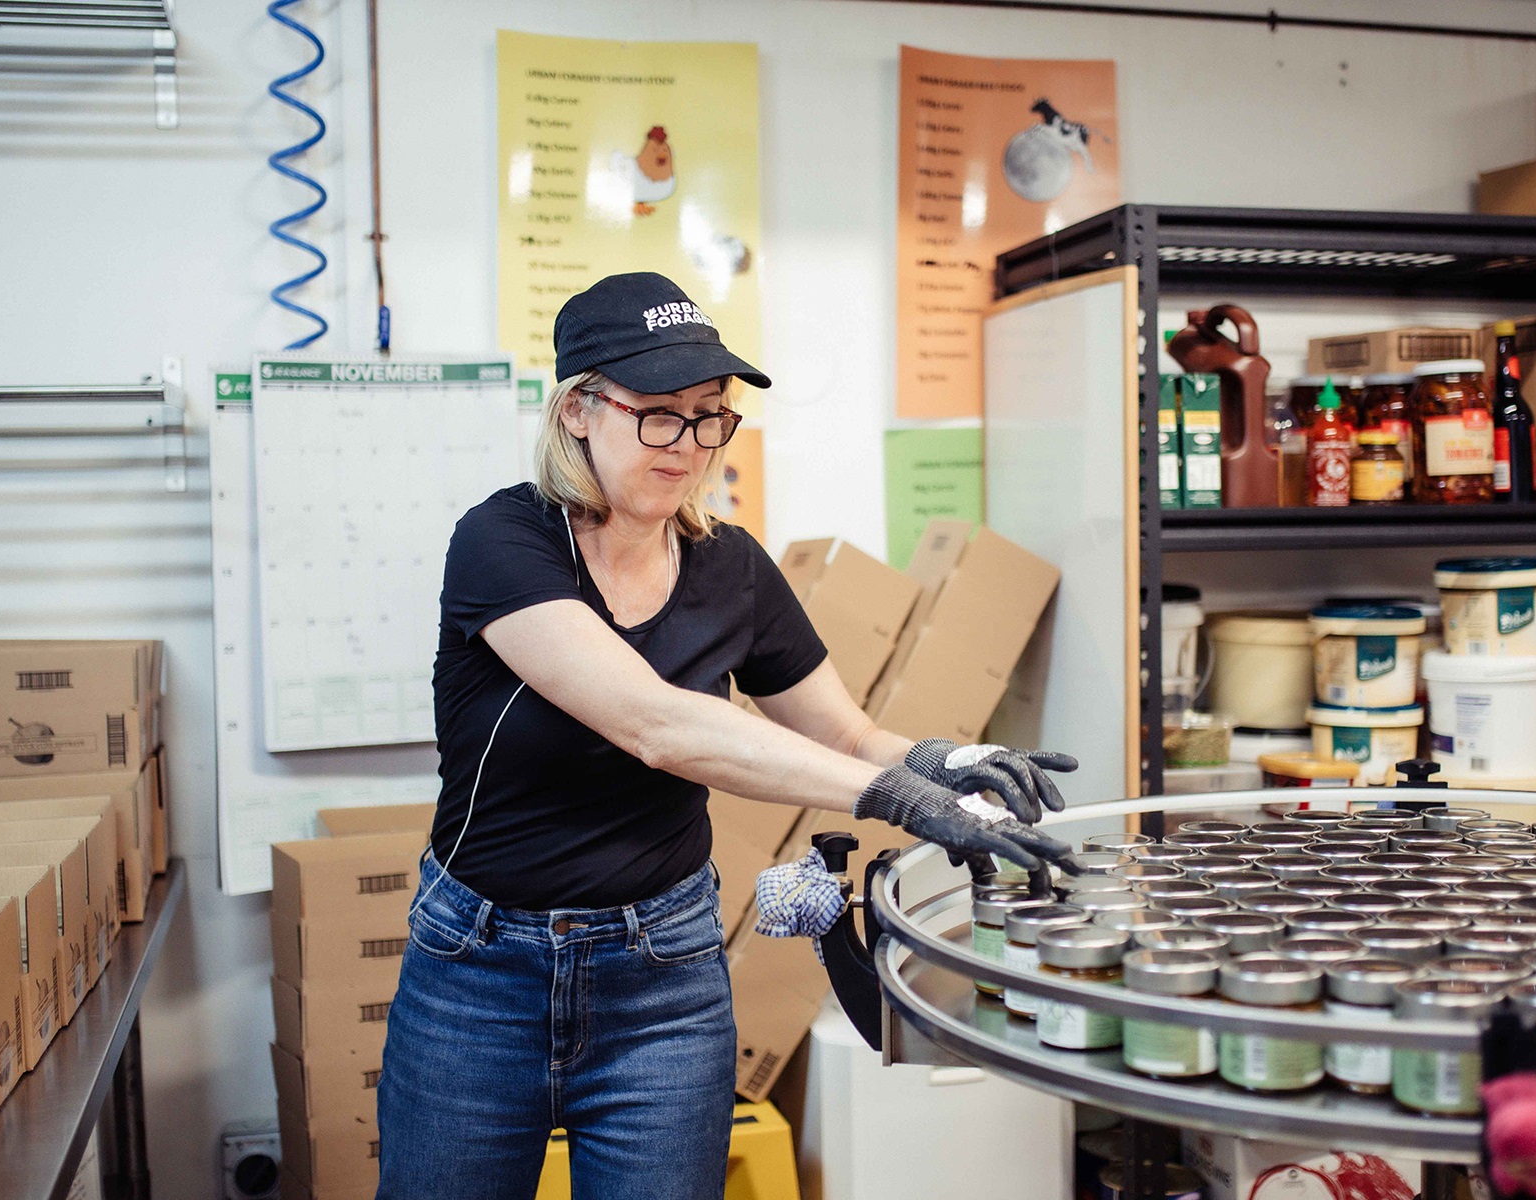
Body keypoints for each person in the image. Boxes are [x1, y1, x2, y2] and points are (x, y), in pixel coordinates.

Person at [375, 272, 1078, 1200]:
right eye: (660, 414)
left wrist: (943, 761)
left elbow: (844, 729)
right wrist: (898, 800)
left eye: (711, 415)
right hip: (478, 974)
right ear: (579, 409)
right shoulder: (507, 542)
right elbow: (654, 724)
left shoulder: (731, 569)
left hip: (660, 982)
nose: (691, 445)